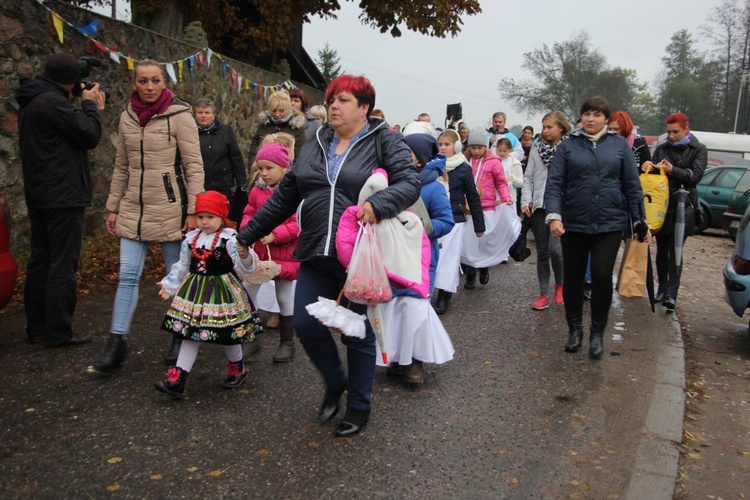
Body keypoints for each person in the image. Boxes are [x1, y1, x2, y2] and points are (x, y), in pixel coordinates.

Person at [237, 74, 420, 437]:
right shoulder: (316, 141)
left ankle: (359, 407)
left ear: (364, 108)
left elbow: (409, 182)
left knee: (356, 333)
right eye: (332, 99)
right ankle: (336, 381)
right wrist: (246, 235)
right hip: (315, 251)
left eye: (344, 101)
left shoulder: (385, 139)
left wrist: (377, 204)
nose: (334, 105)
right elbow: (286, 195)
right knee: (305, 324)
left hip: (359, 256)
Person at [93, 59, 204, 373]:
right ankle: (117, 341)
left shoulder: (181, 115)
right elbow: (121, 166)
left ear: (164, 82)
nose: (150, 87)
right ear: (135, 83)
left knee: (175, 276)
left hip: (170, 209)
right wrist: (113, 207)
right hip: (133, 208)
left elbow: (194, 166)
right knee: (128, 275)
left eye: (156, 80)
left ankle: (179, 336)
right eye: (143, 81)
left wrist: (195, 210)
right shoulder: (127, 116)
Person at [544, 96, 649, 360]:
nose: (591, 119)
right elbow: (554, 184)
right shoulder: (568, 147)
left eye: (597, 115)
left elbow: (632, 185)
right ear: (581, 118)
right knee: (574, 277)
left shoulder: (618, 147)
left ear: (606, 118)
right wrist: (554, 216)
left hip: (609, 222)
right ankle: (575, 330)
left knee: (602, 275)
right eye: (587, 114)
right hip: (574, 222)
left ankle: (597, 333)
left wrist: (639, 219)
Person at [16, 52, 105, 347]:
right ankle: (58, 332)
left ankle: (38, 328)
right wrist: (91, 106)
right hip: (63, 196)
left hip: (39, 192)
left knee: (40, 261)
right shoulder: (53, 104)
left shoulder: (33, 100)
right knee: (63, 265)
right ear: (70, 81)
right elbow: (89, 135)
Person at [155, 191, 262, 398]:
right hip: (194, 293)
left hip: (223, 292)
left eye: (210, 217)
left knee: (228, 333)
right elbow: (183, 265)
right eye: (201, 217)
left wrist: (245, 255)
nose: (204, 222)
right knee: (188, 332)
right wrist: (170, 284)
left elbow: (246, 268)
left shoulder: (229, 239)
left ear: (222, 217)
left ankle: (236, 367)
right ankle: (178, 377)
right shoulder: (191, 239)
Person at [241, 142, 300, 363]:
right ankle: (251, 336)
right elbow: (248, 213)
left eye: (269, 168)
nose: (264, 173)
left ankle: (287, 342)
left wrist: (275, 234)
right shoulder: (257, 191)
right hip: (260, 253)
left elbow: (297, 223)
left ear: (284, 168)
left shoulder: (294, 192)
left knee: (284, 296)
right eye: (261, 168)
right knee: (249, 292)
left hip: (284, 254)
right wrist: (249, 229)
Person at [646, 113, 707, 312]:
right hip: (663, 204)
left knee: (676, 249)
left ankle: (673, 291)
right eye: (669, 131)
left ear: (686, 128)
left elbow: (695, 176)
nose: (671, 136)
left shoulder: (698, 149)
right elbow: (655, 175)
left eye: (675, 132)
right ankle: (662, 287)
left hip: (684, 204)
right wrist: (649, 166)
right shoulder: (662, 148)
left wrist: (674, 171)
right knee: (662, 248)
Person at [433, 129, 485, 315]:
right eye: (440, 144)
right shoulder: (432, 165)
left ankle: (443, 294)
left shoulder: (463, 168)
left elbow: (472, 195)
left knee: (448, 258)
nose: (443, 148)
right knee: (434, 256)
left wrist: (479, 225)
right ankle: (435, 288)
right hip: (435, 218)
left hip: (455, 220)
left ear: (455, 146)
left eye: (447, 144)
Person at [522, 111, 570, 311]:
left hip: (561, 206)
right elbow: (529, 176)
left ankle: (560, 285)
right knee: (542, 253)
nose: (546, 131)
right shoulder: (536, 147)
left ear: (561, 127)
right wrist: (526, 200)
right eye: (544, 127)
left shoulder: (570, 147)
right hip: (539, 205)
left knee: (556, 250)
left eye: (550, 127)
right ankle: (543, 294)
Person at [461, 128, 514, 288]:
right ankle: (470, 274)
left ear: (486, 147)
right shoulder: (464, 161)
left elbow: (500, 182)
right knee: (469, 243)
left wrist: (506, 198)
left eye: (480, 147)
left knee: (484, 241)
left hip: (487, 207)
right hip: (469, 208)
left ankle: (484, 267)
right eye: (473, 148)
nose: (476, 151)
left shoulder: (494, 162)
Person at [194, 97, 247, 224]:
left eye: (207, 113)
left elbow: (236, 157)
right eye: (200, 112)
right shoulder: (190, 133)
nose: (203, 116)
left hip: (223, 184)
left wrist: (241, 183)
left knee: (223, 217)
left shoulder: (225, 131)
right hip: (201, 183)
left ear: (213, 115)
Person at [249, 90, 306, 161]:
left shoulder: (297, 128)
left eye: (281, 111)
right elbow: (253, 150)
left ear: (288, 109)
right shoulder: (264, 125)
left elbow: (299, 156)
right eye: (274, 110)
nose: (277, 114)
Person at [496, 138, 524, 205]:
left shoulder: (515, 163)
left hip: (510, 199)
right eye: (500, 150)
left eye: (504, 151)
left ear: (510, 150)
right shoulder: (493, 162)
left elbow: (521, 184)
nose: (502, 153)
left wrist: (513, 178)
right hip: (495, 198)